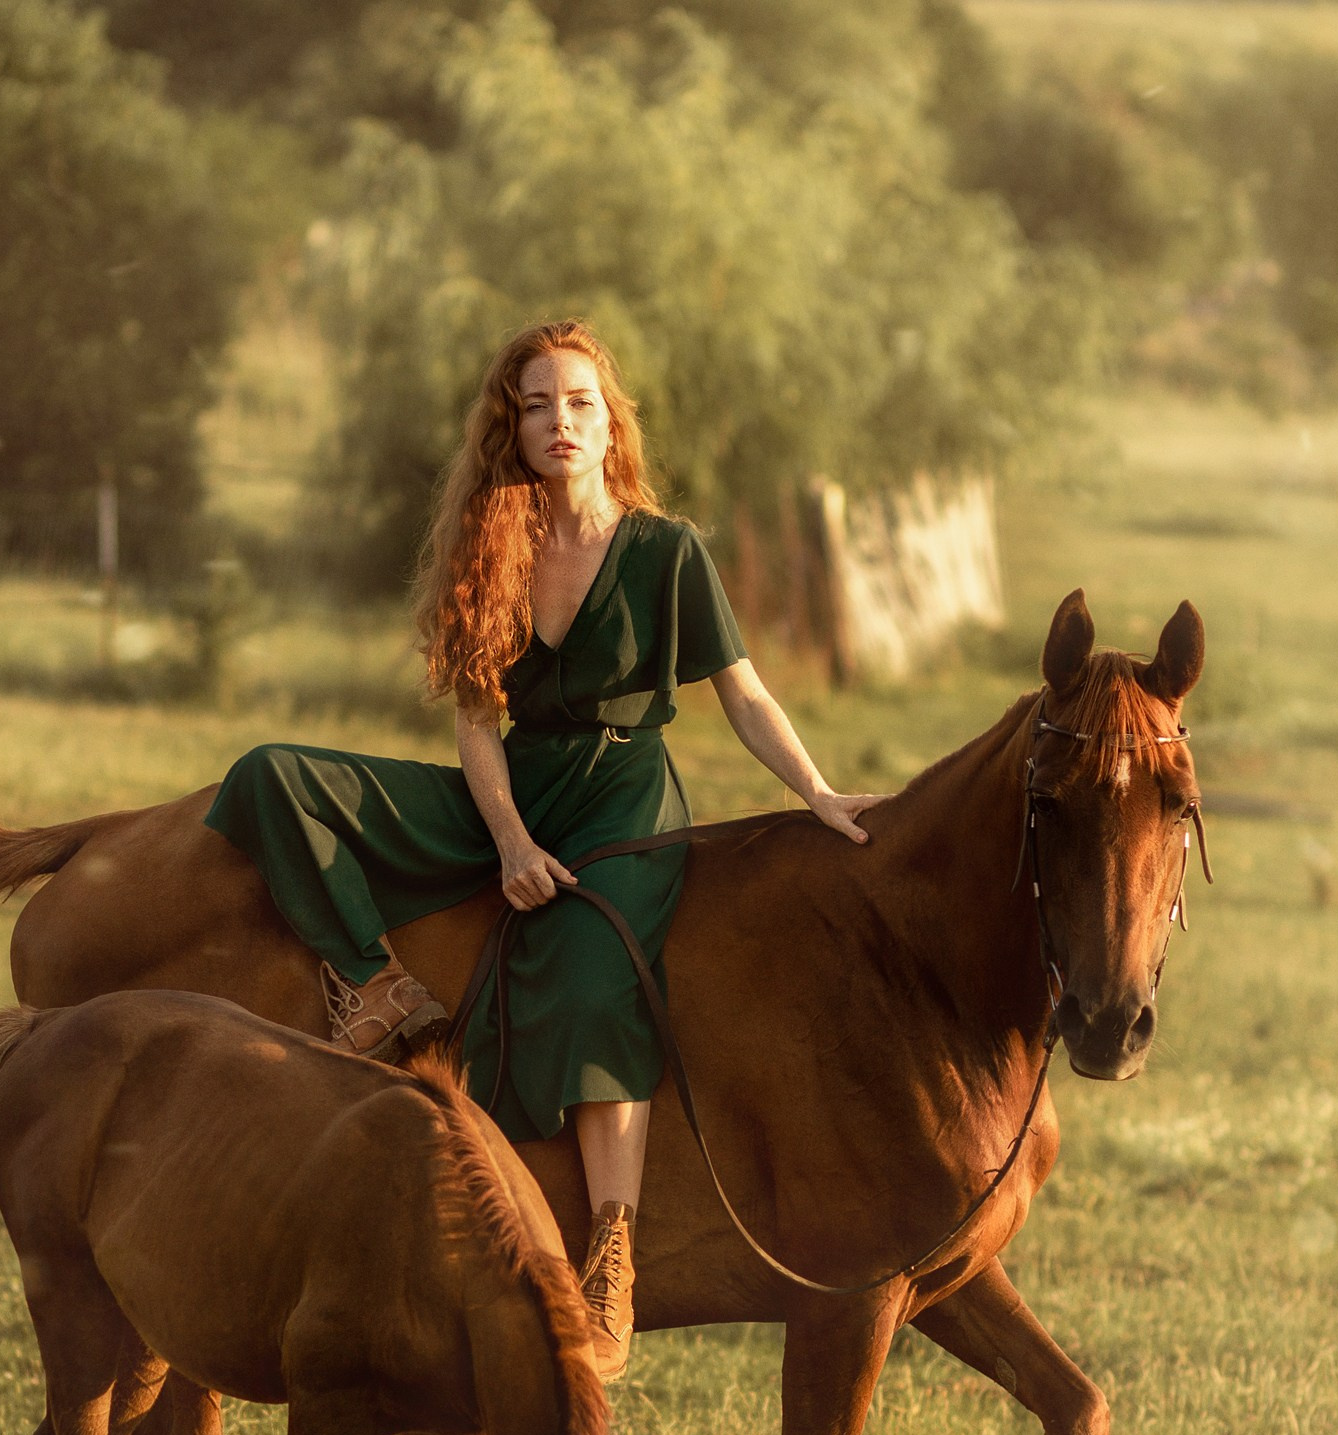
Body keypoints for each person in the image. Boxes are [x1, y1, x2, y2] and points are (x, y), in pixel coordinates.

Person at [204, 319, 884, 1377]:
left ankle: (610, 1249)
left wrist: (818, 791)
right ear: (510, 429)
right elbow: (477, 720)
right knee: (271, 775)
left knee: (589, 978)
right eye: (534, 406)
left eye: (578, 402)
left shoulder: (667, 552)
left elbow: (744, 695)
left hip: (624, 796)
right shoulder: (494, 545)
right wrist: (510, 841)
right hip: (515, 785)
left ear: (610, 425)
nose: (558, 421)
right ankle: (371, 983)